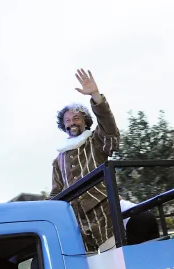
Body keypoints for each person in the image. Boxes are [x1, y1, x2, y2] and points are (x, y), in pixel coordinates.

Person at [47, 69, 120, 253]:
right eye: (68, 120)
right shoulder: (59, 159)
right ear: (63, 125)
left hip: (106, 215)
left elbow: (109, 128)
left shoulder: (95, 140)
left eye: (76, 118)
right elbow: (56, 192)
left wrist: (96, 96)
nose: (72, 122)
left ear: (85, 121)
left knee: (117, 263)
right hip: (77, 225)